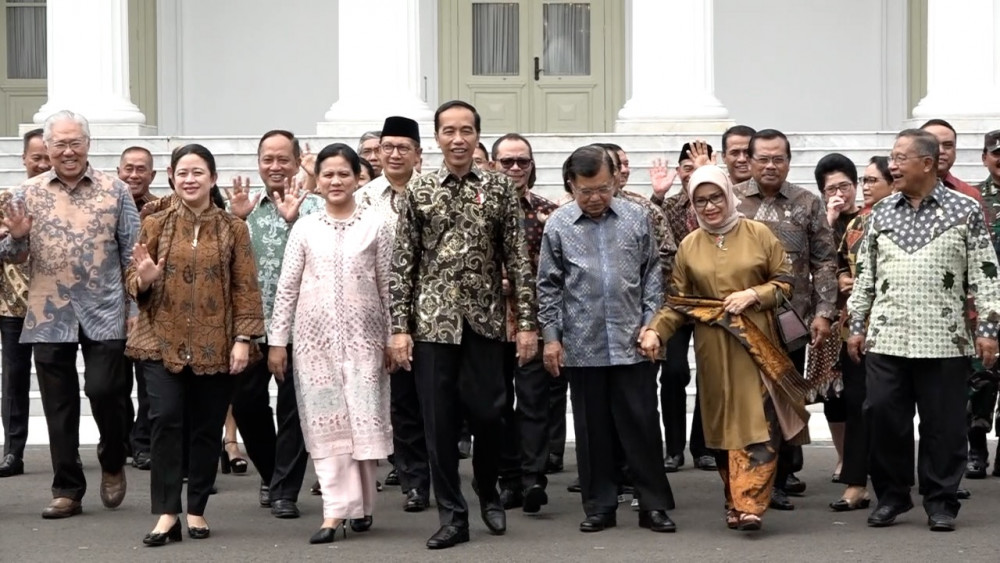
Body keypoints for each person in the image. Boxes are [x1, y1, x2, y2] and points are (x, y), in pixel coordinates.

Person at [388, 100, 538, 550]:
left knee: (491, 415)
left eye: (466, 130)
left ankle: (487, 487)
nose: (458, 139)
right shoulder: (419, 189)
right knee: (438, 424)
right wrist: (399, 328)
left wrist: (526, 323)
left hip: (485, 322)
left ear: (477, 136)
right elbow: (403, 263)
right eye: (449, 131)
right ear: (436, 138)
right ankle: (453, 515)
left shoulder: (498, 188)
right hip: (433, 324)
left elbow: (517, 259)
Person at [847, 129, 1000, 532]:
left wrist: (988, 329)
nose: (892, 166)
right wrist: (857, 324)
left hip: (944, 339)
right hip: (887, 337)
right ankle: (892, 496)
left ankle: (941, 501)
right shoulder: (880, 212)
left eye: (901, 158)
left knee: (944, 426)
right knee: (882, 416)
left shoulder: (965, 210)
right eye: (891, 158)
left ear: (928, 163)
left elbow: (986, 274)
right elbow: (865, 275)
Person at [641, 165, 807, 532]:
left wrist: (754, 294)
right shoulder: (689, 244)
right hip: (713, 346)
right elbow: (678, 303)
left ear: (729, 195)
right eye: (701, 201)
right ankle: (734, 499)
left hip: (756, 342)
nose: (710, 206)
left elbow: (785, 283)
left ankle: (751, 504)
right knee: (721, 425)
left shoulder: (758, 233)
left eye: (716, 197)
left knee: (759, 422)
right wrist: (656, 331)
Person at [0, 110, 139, 519]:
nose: (67, 151)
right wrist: (17, 238)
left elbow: (133, 254)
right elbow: (11, 256)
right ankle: (67, 488)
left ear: (88, 145)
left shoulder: (115, 190)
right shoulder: (26, 193)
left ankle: (112, 458)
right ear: (46, 148)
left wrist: (135, 308)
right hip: (49, 312)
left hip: (105, 309)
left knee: (105, 390)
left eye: (75, 142)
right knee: (58, 405)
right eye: (59, 144)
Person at [125, 143, 264, 546]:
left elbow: (246, 287)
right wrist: (145, 279)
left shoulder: (233, 228)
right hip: (159, 338)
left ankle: (196, 508)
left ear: (212, 178)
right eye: (182, 173)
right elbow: (132, 279)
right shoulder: (155, 223)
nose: (190, 179)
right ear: (171, 177)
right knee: (165, 419)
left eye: (198, 172)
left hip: (215, 342)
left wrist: (243, 339)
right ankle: (167, 513)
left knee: (206, 426)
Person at [538, 145, 676, 534]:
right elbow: (548, 286)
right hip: (583, 345)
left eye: (603, 188)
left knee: (643, 425)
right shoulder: (558, 225)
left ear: (614, 180)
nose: (596, 198)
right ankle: (600, 505)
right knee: (591, 428)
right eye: (586, 191)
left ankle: (653, 505)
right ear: (571, 185)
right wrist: (552, 338)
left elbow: (652, 275)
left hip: (634, 341)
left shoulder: (636, 217)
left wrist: (651, 324)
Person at [269, 143, 393, 544]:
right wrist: (277, 341)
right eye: (328, 174)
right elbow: (287, 287)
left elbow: (388, 286)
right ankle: (334, 510)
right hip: (313, 344)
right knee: (328, 427)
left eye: (343, 174)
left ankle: (363, 506)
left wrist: (393, 337)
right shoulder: (305, 228)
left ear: (357, 178)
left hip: (366, 341)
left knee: (362, 423)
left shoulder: (377, 225)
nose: (335, 181)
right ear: (317, 181)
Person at [735, 129, 837, 510]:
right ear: (749, 160)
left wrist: (823, 313)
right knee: (748, 401)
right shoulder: (732, 200)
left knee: (784, 401)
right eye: (763, 158)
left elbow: (825, 262)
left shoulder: (807, 203)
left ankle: (777, 479)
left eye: (778, 159)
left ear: (789, 162)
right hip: (743, 321)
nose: (770, 165)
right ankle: (745, 479)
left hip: (791, 321)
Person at [225, 130, 324, 518]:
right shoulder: (243, 209)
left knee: (293, 410)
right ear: (258, 163)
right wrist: (236, 220)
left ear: (298, 162)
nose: (275, 166)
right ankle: (271, 473)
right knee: (246, 404)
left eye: (284, 159)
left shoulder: (316, 209)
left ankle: (285, 491)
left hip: (302, 328)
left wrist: (295, 219)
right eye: (268, 159)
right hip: (251, 326)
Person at [356, 116, 431, 514]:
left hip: (435, 311)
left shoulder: (435, 191)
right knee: (402, 401)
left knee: (436, 398)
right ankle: (414, 480)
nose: (395, 154)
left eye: (404, 148)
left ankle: (441, 471)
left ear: (418, 153)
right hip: (385, 314)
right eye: (388, 147)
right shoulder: (364, 198)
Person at [490, 133, 559, 513]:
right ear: (493, 164)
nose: (515, 168)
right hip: (489, 323)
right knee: (497, 405)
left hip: (533, 321)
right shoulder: (477, 209)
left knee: (534, 402)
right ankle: (508, 479)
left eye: (522, 161)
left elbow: (556, 271)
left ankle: (533, 478)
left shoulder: (548, 214)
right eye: (507, 161)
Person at [829, 156, 895, 512]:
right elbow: (841, 261)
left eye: (873, 180)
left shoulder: (903, 219)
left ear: (893, 183)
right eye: (864, 180)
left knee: (888, 407)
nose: (866, 186)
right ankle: (856, 484)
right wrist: (843, 278)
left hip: (895, 328)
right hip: (855, 328)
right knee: (856, 404)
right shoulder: (856, 223)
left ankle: (896, 483)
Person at [649, 141, 718, 473]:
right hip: (676, 301)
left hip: (712, 301)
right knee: (674, 372)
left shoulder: (719, 204)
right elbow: (648, 228)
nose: (692, 175)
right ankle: (673, 448)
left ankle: (703, 447)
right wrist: (657, 196)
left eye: (699, 168)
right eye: (687, 168)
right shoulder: (667, 205)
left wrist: (708, 177)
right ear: (677, 172)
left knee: (710, 374)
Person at [0, 128, 48, 478]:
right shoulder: (6, 200)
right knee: (14, 378)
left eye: (48, 157)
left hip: (54, 304)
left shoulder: (65, 201)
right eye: (37, 157)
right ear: (24, 159)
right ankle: (13, 451)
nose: (43, 164)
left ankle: (66, 451)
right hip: (12, 304)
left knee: (56, 379)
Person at [812, 153, 862, 482]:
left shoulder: (870, 218)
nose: (839, 194)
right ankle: (844, 457)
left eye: (844, 186)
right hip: (830, 321)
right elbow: (811, 264)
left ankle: (866, 457)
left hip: (862, 322)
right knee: (834, 394)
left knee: (863, 393)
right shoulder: (819, 222)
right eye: (831, 189)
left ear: (856, 185)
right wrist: (828, 220)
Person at [117, 146, 159, 471]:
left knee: (148, 385)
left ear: (152, 175)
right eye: (128, 168)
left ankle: (143, 443)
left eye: (141, 169)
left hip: (148, 309)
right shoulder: (107, 205)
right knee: (114, 385)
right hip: (110, 309)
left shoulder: (160, 210)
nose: (134, 175)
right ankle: (120, 441)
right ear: (118, 172)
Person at [968, 130, 1000, 478]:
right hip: (985, 304)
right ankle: (976, 449)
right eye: (997, 153)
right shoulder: (974, 200)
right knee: (981, 377)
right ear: (985, 158)